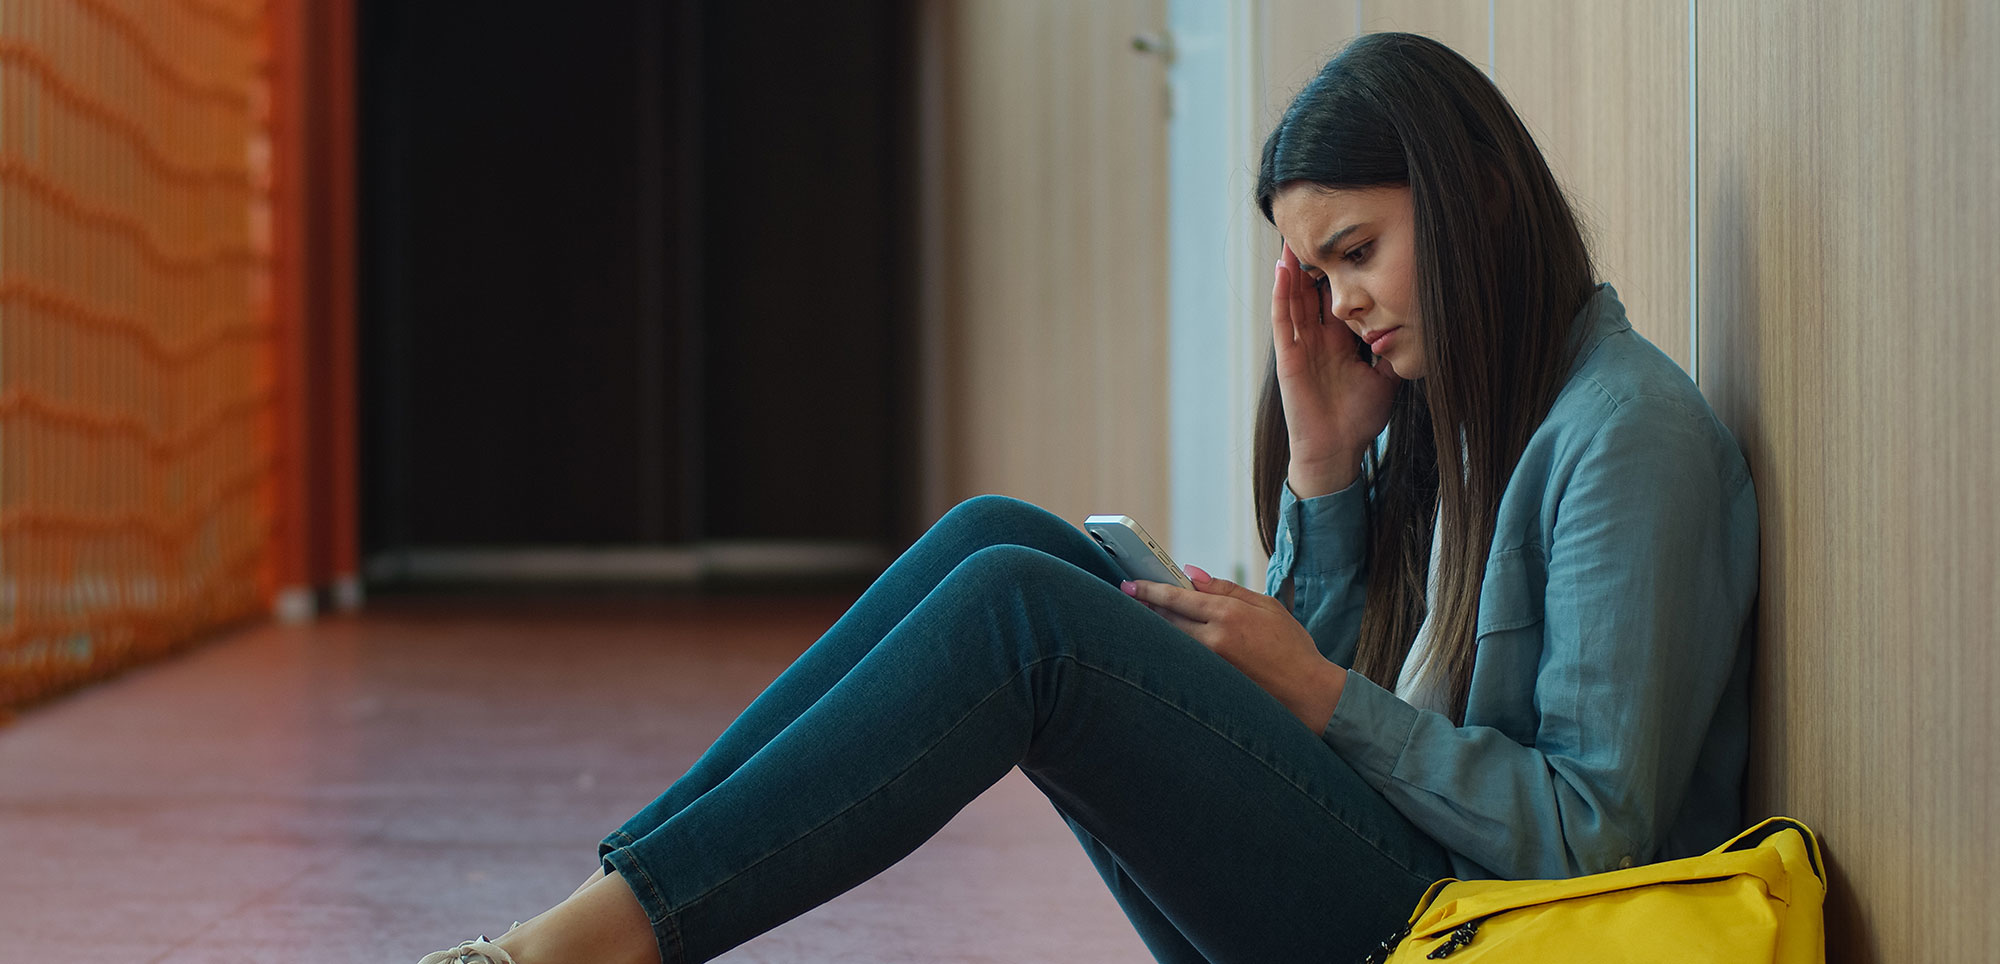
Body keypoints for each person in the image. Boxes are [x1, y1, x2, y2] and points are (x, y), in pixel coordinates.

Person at [417, 31, 1757, 964]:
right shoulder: (1465, 414)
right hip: (1404, 895)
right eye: (1318, 269)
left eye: (1357, 252)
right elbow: (1318, 718)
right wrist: (1325, 473)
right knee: (1003, 536)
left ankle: (592, 949)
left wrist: (1326, 697)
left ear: (1472, 202)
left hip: (1468, 938)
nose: (1341, 305)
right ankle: (602, 910)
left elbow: (1597, 843)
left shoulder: (1624, 435)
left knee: (1026, 619)